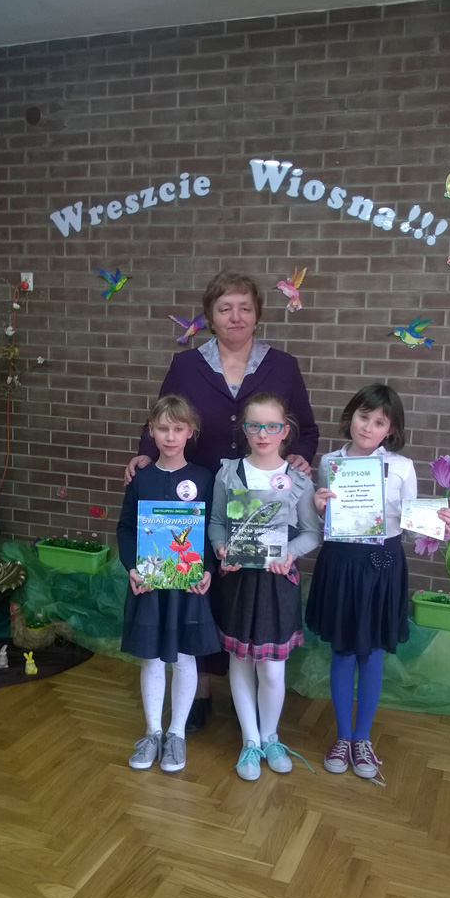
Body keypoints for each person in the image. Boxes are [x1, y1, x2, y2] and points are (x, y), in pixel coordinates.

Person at [124, 270, 319, 729]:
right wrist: (145, 455)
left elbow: (306, 429)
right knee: (199, 583)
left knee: (242, 588)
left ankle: (249, 693)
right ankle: (199, 692)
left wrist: (300, 457)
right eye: (225, 308)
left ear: (258, 314)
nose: (235, 316)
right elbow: (164, 416)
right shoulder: (186, 365)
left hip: (258, 496)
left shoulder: (283, 365)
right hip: (196, 493)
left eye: (245, 308)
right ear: (210, 316)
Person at [305, 383, 450, 784]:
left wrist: (435, 523)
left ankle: (362, 739)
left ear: (391, 430)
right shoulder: (330, 462)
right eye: (363, 416)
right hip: (341, 563)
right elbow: (324, 521)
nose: (368, 427)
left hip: (381, 564)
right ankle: (342, 737)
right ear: (350, 417)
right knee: (342, 651)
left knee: (370, 653)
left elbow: (410, 520)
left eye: (379, 422)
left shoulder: (402, 466)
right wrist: (318, 507)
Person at [208, 393, 321, 780]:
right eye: (254, 425)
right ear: (244, 429)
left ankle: (271, 736)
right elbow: (216, 523)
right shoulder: (229, 473)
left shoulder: (298, 480)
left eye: (272, 426)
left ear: (285, 431)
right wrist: (220, 547)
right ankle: (250, 741)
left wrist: (290, 552)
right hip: (238, 582)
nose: (262, 433)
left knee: (271, 671)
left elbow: (312, 533)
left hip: (277, 584)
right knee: (240, 662)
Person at [117, 395, 220, 774]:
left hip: (187, 587)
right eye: (163, 428)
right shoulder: (140, 478)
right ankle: (153, 732)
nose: (170, 436)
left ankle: (177, 734)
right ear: (151, 431)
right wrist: (132, 567)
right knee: (152, 659)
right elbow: (126, 528)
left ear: (190, 432)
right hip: (149, 585)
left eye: (178, 429)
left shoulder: (204, 478)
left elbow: (210, 531)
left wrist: (208, 569)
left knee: (185, 659)